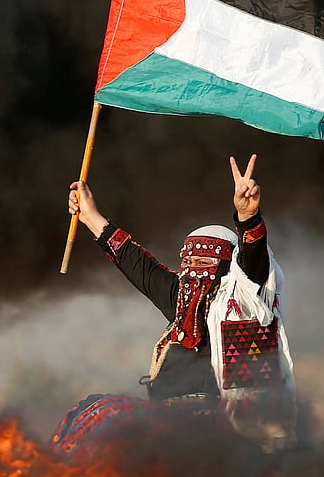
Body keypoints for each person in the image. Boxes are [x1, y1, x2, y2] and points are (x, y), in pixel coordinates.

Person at [66, 155, 296, 448]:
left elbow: (253, 263)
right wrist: (89, 216)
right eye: (187, 262)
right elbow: (139, 266)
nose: (192, 272)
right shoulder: (181, 302)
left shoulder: (245, 302)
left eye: (204, 261)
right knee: (93, 413)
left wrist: (248, 217)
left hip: (229, 437)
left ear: (228, 266)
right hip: (172, 434)